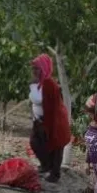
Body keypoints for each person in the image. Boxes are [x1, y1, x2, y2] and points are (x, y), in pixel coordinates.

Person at [28, 54, 71, 182]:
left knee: (55, 147)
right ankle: (46, 166)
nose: (34, 71)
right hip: (42, 120)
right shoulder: (40, 83)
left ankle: (54, 174)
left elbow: (52, 109)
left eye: (37, 68)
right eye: (33, 68)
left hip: (55, 122)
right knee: (36, 142)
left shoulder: (48, 84)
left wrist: (46, 125)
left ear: (44, 68)